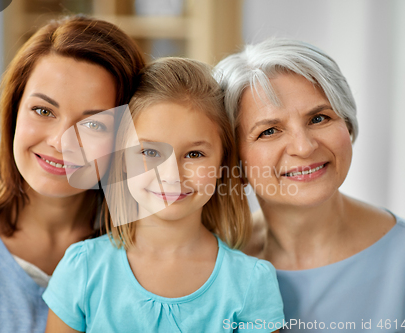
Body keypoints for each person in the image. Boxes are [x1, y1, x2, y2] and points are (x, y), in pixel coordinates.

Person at [0, 15, 145, 332]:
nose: (61, 142)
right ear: (14, 110)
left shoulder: (148, 240)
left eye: (93, 124)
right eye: (43, 111)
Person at [42, 57, 285, 333]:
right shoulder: (82, 269)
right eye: (150, 152)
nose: (171, 175)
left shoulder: (251, 283)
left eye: (194, 154)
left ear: (222, 164)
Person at [213, 38, 405, 332]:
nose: (304, 147)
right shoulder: (209, 262)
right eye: (269, 131)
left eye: (319, 118)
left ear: (348, 124)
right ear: (233, 159)